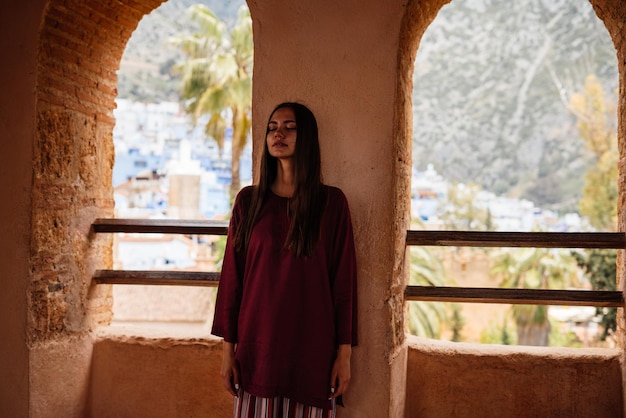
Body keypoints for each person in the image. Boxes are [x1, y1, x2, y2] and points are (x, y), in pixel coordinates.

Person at [212, 102, 358, 418]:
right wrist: (228, 351)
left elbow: (343, 284)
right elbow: (232, 280)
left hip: (313, 353)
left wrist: (344, 356)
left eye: (290, 127)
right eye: (272, 127)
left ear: (307, 138)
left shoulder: (331, 204)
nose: (279, 133)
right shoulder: (248, 202)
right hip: (256, 352)